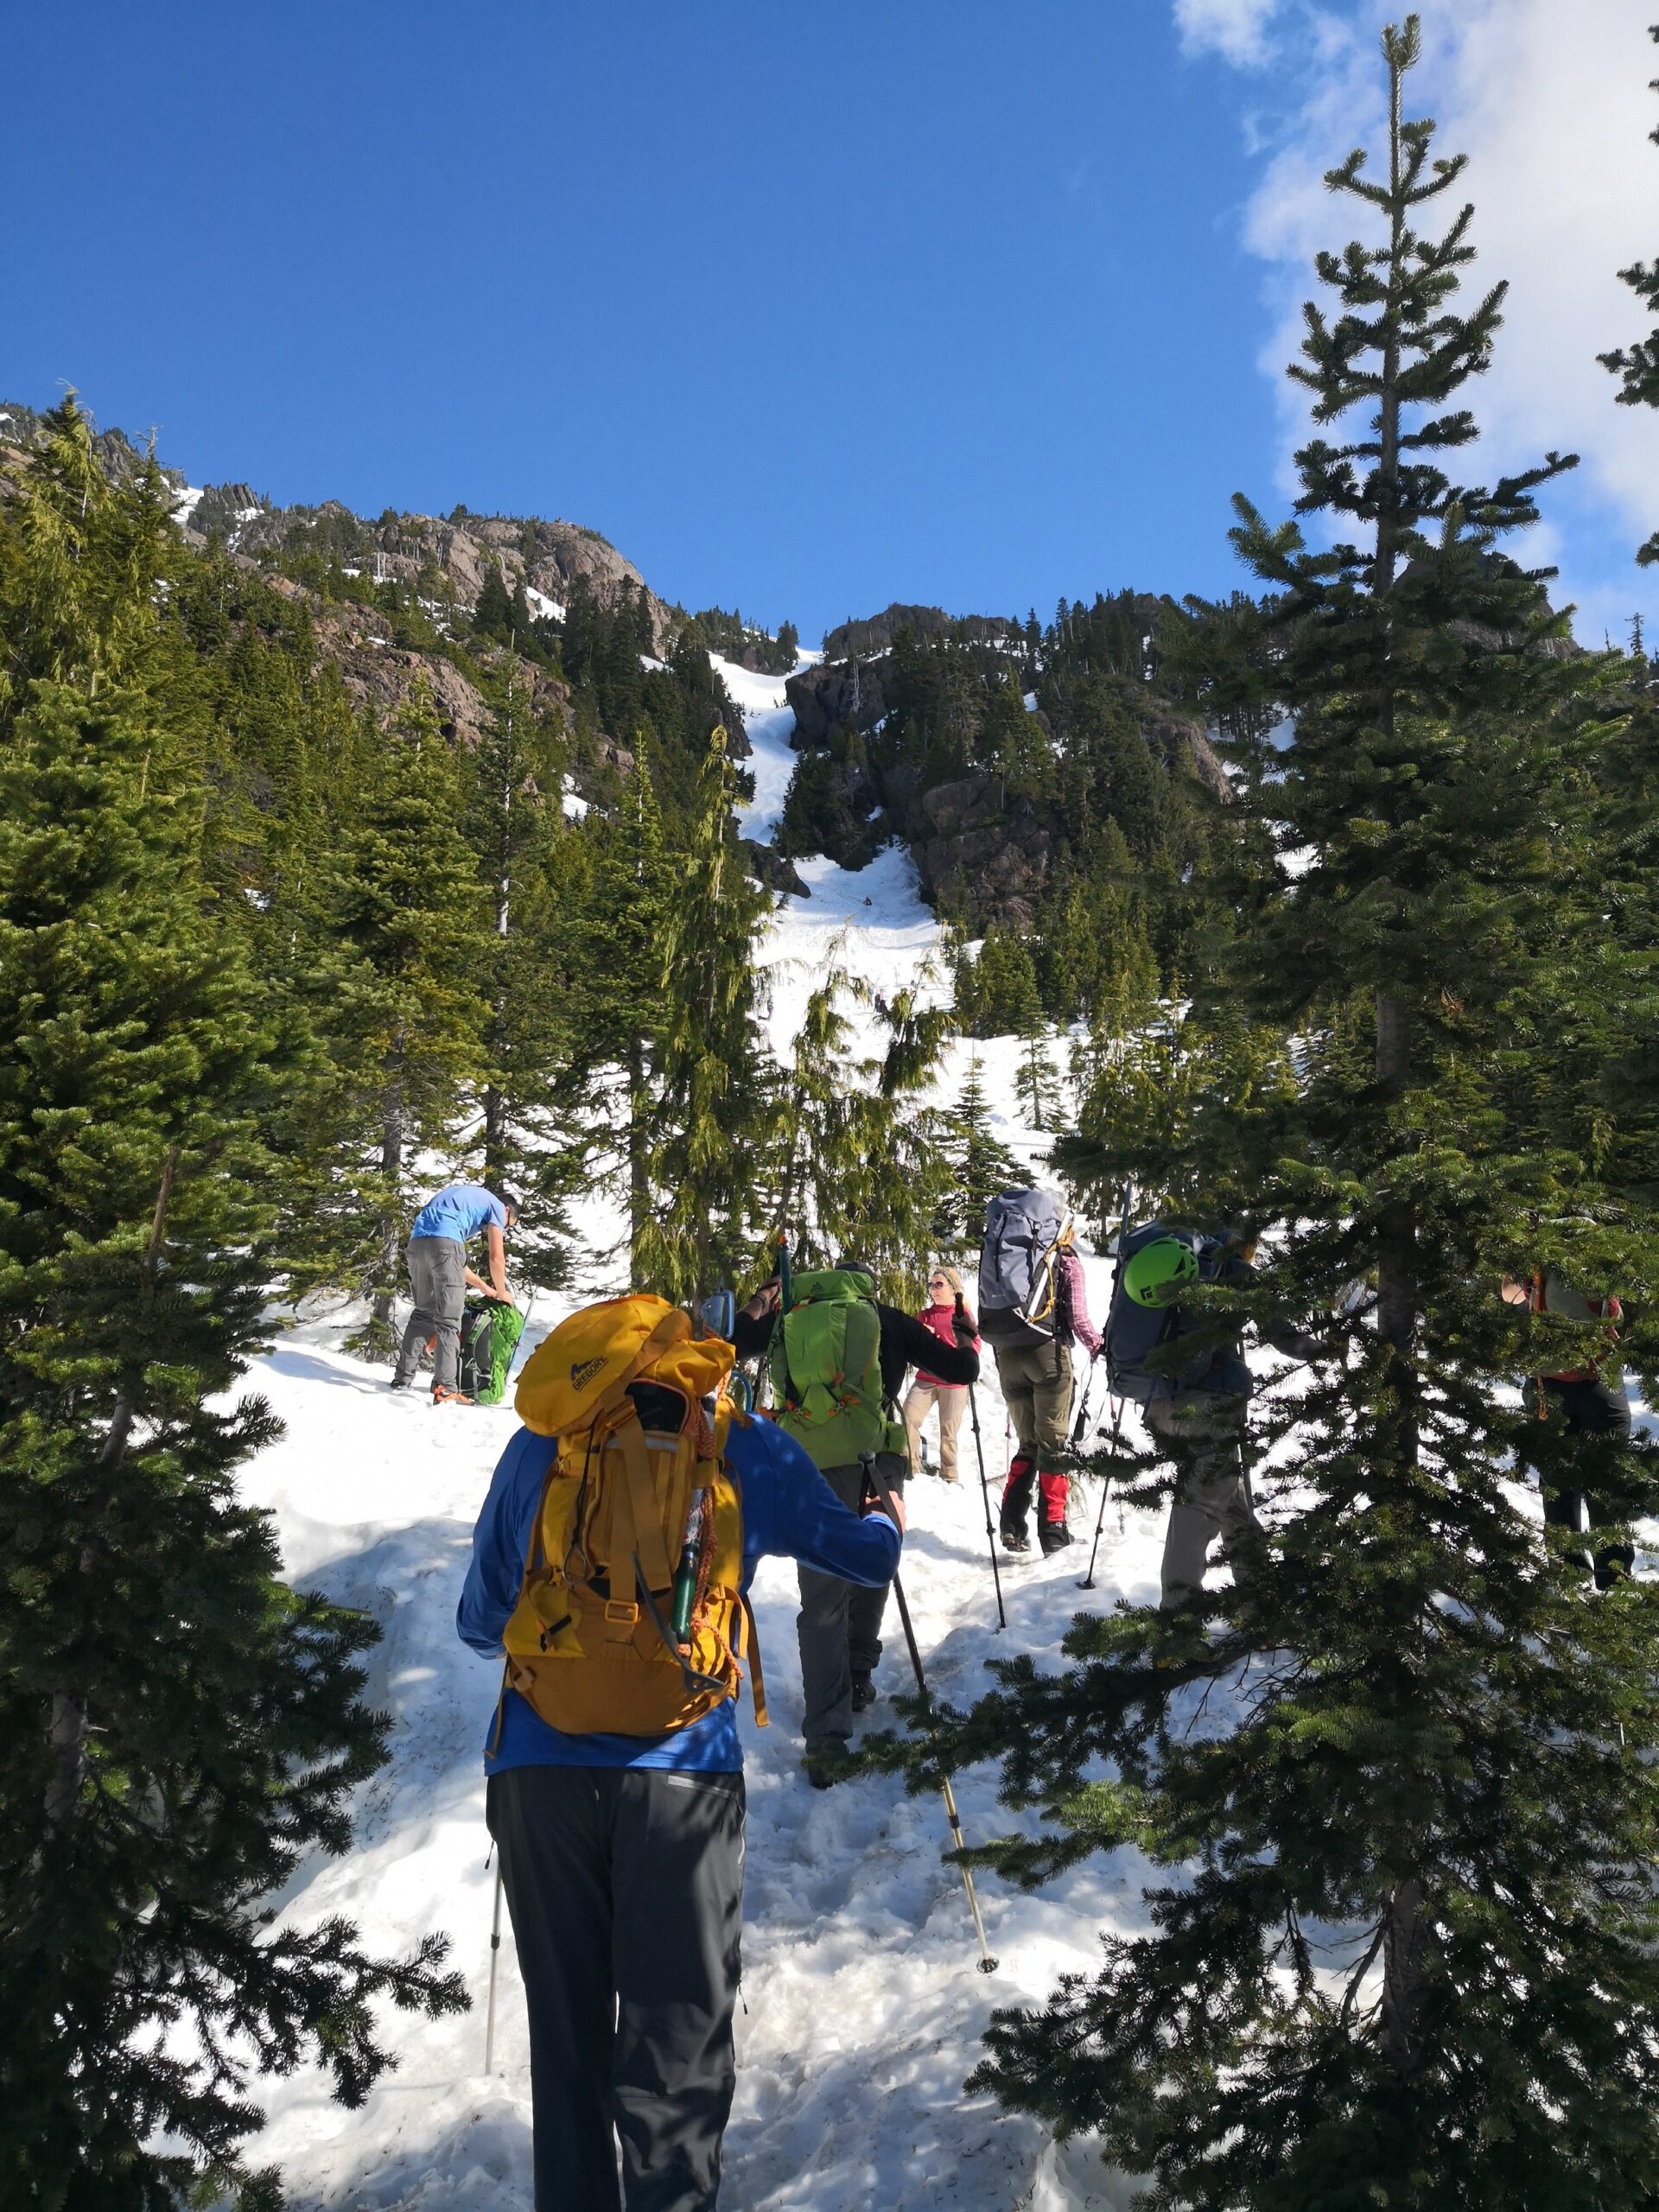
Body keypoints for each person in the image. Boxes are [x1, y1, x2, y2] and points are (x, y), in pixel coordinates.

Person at [458, 1308, 904, 2212]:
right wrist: (887, 1524)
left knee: (568, 2032)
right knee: (679, 2034)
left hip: (541, 1770)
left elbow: (477, 1621)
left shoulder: (543, 1444)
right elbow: (856, 1558)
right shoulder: (742, 1443)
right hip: (683, 1772)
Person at [732, 1259, 977, 1781]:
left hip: (808, 1462)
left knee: (821, 1600)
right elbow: (961, 1372)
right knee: (873, 1561)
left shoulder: (792, 1319)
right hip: (875, 1460)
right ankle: (859, 1671)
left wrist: (763, 1298)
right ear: (867, 1288)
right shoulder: (887, 1319)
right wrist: (964, 1325)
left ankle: (825, 1737)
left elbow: (732, 1346)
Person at [1109, 1223, 1321, 1608]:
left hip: (1160, 1403)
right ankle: (1178, 1625)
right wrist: (1331, 1348)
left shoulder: (1168, 1260)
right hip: (1210, 1406)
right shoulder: (1229, 1269)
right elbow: (1285, 1337)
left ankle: (1259, 1601)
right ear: (1244, 1247)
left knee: (1231, 1499)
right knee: (1201, 1506)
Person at [1503, 1268, 1633, 1587]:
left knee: (1557, 1483)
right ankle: (1613, 1577)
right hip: (1597, 1383)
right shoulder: (1601, 1250)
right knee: (1607, 1480)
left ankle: (1567, 1577)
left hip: (1546, 1386)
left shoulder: (1535, 1252)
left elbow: (1507, 1293)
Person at [992, 1239, 1101, 1558]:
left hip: (1009, 1358)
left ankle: (1011, 1524)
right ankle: (1053, 1531)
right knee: (1053, 1445)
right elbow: (1078, 1317)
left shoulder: (1009, 1258)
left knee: (1028, 1444)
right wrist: (1097, 1345)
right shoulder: (1064, 1260)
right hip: (1048, 1355)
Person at [391, 1179, 518, 1402]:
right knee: (449, 1321)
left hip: (417, 1243)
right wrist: (502, 1291)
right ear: (507, 1210)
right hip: (443, 1245)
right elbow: (496, 1258)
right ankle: (446, 1388)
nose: (503, 1227)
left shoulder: (464, 1200)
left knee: (423, 1312)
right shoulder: (497, 1206)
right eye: (508, 1224)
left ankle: (402, 1379)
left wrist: (485, 1288)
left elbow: (452, 1258)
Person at [902, 1262, 981, 1483]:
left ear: (952, 1288)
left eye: (939, 1284)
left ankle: (950, 1476)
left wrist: (965, 1363)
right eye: (931, 1285)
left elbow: (974, 1344)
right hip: (926, 1378)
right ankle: (911, 1469)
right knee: (909, 1416)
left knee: (949, 1431)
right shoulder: (924, 1315)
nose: (934, 1289)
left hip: (954, 1381)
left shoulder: (962, 1314)